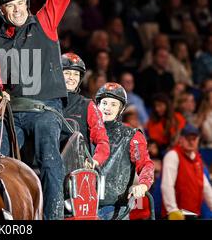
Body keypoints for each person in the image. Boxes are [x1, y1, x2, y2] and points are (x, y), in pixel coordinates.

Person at [0, 0, 85, 220]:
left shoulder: (44, 22)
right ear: (2, 12)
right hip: (12, 112)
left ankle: (52, 216)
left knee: (49, 158)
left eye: (21, 4)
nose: (17, 11)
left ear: (27, 3)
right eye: (10, 7)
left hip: (46, 109)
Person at [95, 82, 155, 220]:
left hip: (114, 210)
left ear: (121, 109)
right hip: (82, 206)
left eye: (113, 104)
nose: (107, 108)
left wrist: (143, 185)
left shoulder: (131, 135)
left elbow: (146, 164)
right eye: (104, 103)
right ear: (97, 106)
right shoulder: (84, 132)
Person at [60, 53, 110, 168]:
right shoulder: (48, 103)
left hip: (77, 169)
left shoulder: (88, 105)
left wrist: (95, 160)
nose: (72, 77)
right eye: (67, 73)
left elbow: (102, 141)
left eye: (76, 74)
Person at [161, 123, 212, 219]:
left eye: (194, 139)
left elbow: (205, 187)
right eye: (188, 138)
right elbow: (167, 185)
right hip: (176, 214)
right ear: (181, 139)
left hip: (193, 214)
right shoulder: (173, 155)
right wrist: (172, 210)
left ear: (198, 140)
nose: (191, 142)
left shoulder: (197, 159)